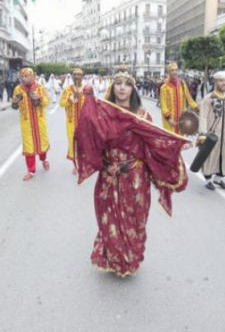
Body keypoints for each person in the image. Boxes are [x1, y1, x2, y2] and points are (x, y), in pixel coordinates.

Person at [74, 71, 189, 277]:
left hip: (135, 177)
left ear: (133, 89)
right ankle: (113, 259)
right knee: (108, 219)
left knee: (135, 220)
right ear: (112, 87)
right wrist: (88, 105)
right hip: (109, 175)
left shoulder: (142, 116)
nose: (122, 87)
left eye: (127, 84)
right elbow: (87, 137)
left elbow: (155, 142)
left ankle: (130, 258)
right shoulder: (102, 113)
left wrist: (175, 147)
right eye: (118, 83)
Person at [197, 71, 225, 191]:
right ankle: (208, 180)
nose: (224, 83)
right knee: (210, 156)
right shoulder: (208, 98)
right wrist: (203, 133)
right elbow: (203, 116)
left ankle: (218, 179)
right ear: (215, 82)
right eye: (221, 80)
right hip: (211, 133)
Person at [11, 67, 51, 181]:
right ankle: (31, 170)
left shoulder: (40, 88)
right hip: (26, 123)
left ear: (33, 77)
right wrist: (14, 102)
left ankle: (44, 160)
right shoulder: (18, 89)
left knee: (42, 145)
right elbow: (14, 107)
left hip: (39, 122)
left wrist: (39, 98)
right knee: (29, 147)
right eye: (22, 76)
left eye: (27, 76)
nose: (24, 78)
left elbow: (47, 101)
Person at [60, 68, 87, 173]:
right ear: (71, 76)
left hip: (84, 122)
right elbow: (61, 103)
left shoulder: (87, 89)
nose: (76, 77)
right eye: (75, 75)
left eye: (79, 75)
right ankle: (75, 165)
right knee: (73, 142)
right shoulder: (67, 90)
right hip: (71, 122)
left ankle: (83, 163)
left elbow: (93, 103)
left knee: (84, 143)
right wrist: (71, 99)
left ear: (82, 76)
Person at [160, 63, 198, 134]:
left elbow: (189, 99)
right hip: (169, 121)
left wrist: (197, 107)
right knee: (171, 139)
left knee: (180, 139)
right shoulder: (164, 87)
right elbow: (163, 105)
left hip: (181, 119)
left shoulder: (182, 84)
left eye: (176, 70)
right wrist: (169, 119)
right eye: (172, 70)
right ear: (168, 72)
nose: (175, 72)